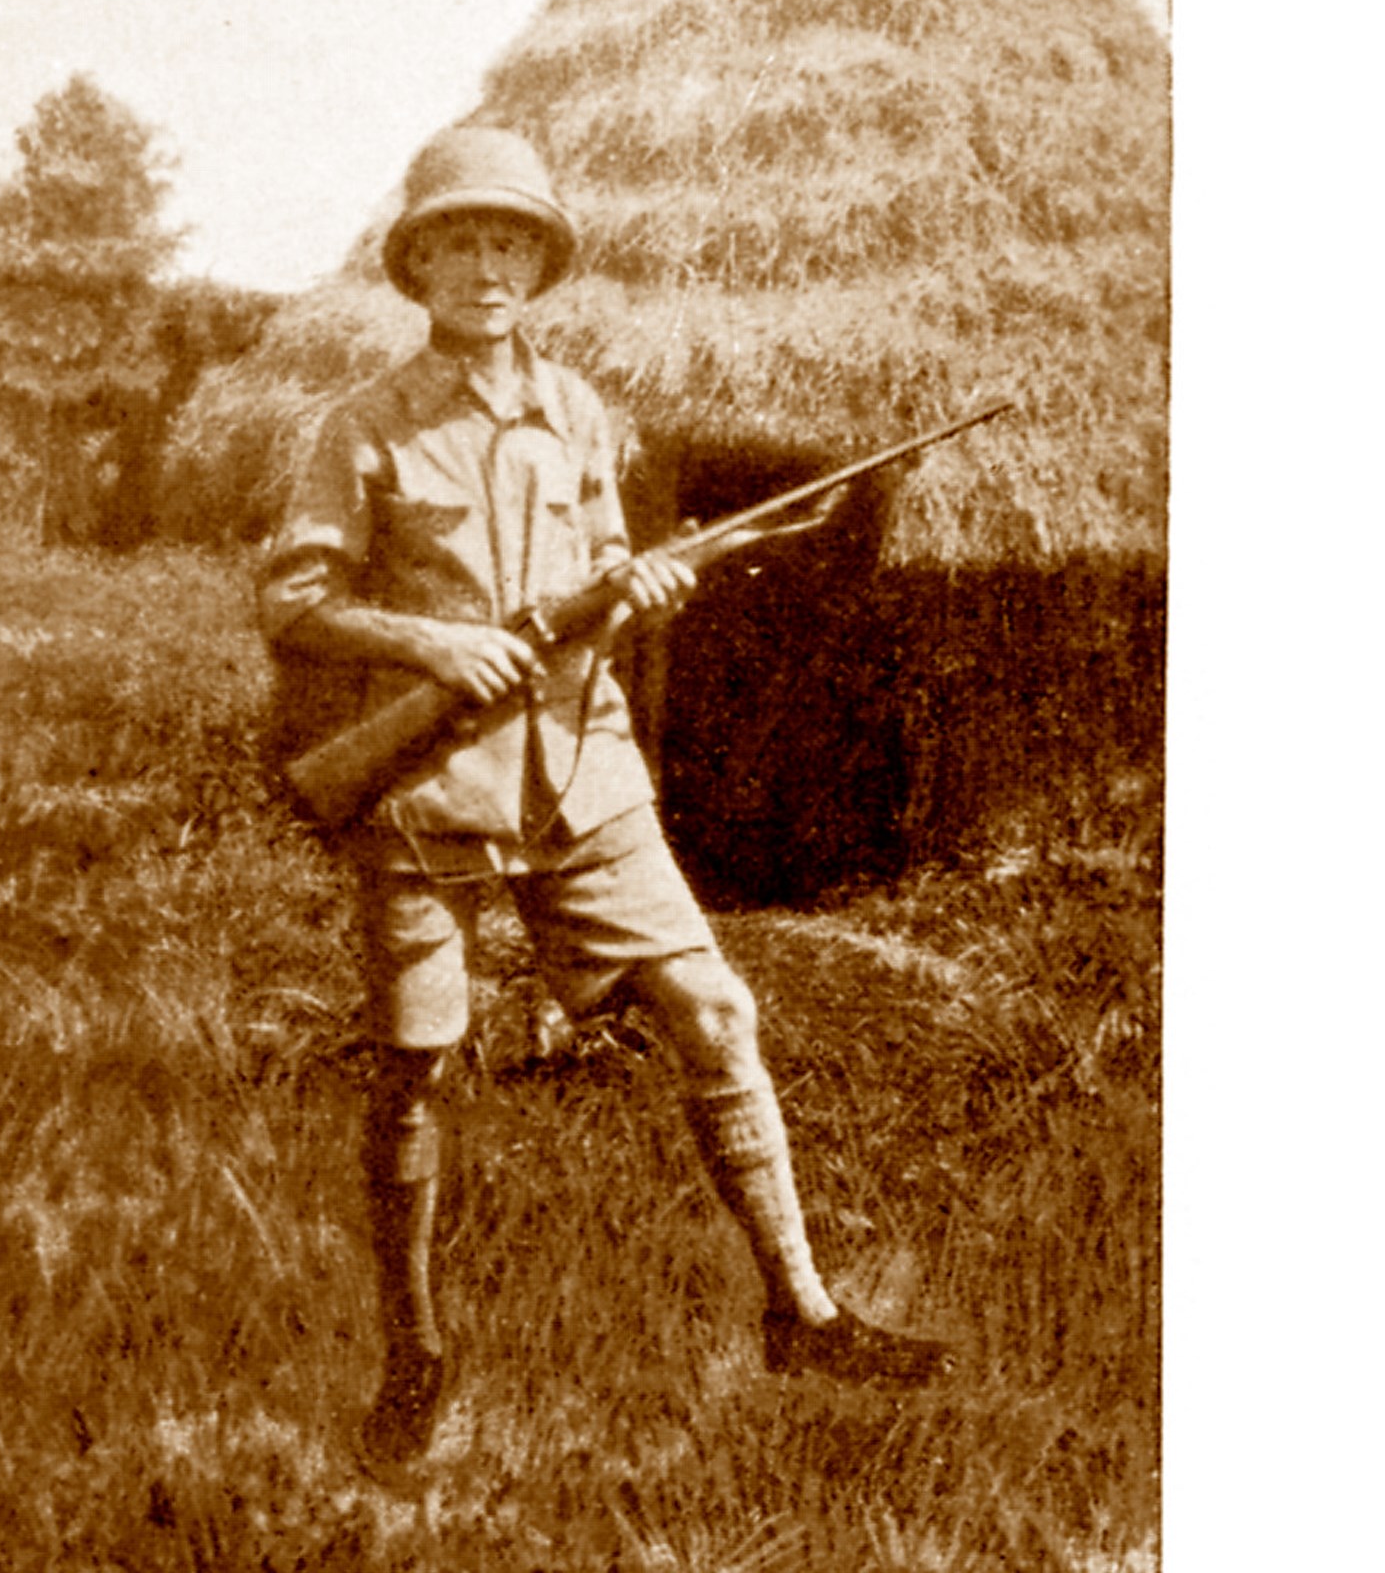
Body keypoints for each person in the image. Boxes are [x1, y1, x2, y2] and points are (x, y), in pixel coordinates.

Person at [259, 125, 948, 1470]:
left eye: (508, 240)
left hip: (582, 768)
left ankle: (802, 1312)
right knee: (416, 1064)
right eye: (457, 241)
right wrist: (432, 646)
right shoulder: (360, 428)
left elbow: (607, 565)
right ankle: (414, 1355)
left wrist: (644, 586)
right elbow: (293, 603)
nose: (486, 264)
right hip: (427, 783)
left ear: (539, 262)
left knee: (715, 1008)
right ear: (420, 265)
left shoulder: (583, 415)